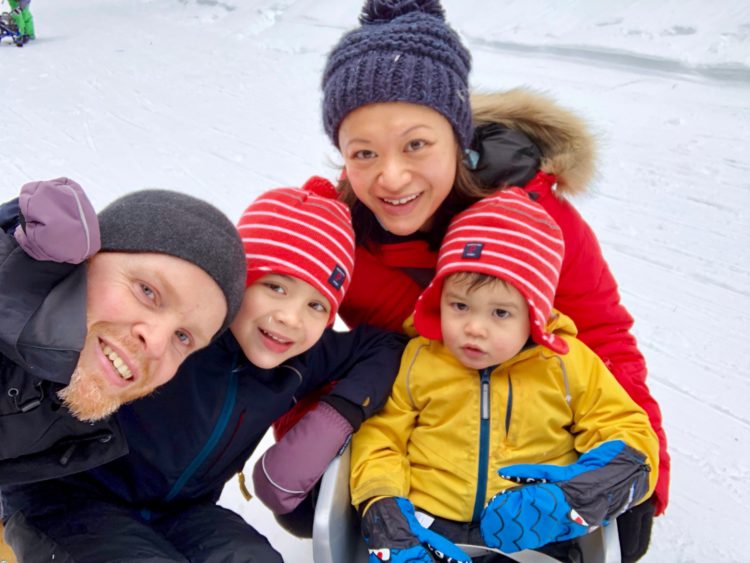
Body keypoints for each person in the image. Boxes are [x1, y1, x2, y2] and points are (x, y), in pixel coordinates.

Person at [310, 1, 669, 559]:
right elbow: (290, 338)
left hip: (523, 452)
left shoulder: (538, 226)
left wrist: (643, 476)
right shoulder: (337, 229)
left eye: (417, 144)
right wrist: (316, 450)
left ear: (459, 137)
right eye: (364, 153)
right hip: (427, 454)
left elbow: (603, 340)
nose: (392, 176)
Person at [1, 177, 407, 562]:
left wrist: (336, 416)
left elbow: (386, 345)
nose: (290, 318)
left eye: (316, 305)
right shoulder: (178, 341)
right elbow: (46, 339)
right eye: (275, 287)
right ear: (237, 284)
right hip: (72, 499)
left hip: (187, 512)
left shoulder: (301, 358)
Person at [350, 188, 659, 563]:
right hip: (427, 524)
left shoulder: (564, 363)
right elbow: (383, 437)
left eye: (500, 313)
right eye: (460, 305)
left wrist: (582, 490)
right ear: (438, 297)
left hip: (534, 529)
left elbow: (623, 426)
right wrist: (382, 502)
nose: (474, 328)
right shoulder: (419, 359)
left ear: (535, 313)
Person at [0, 177, 246, 487]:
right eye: (147, 291)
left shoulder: (79, 427)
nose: (156, 343)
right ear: (87, 259)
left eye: (183, 337)